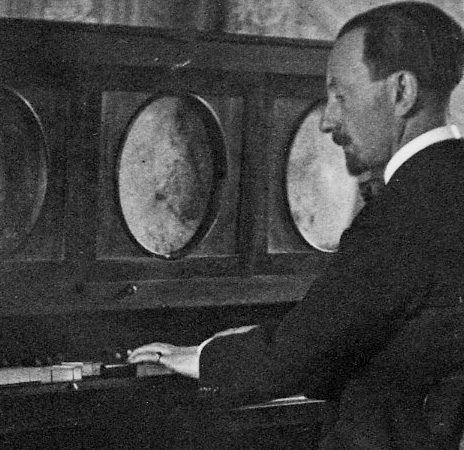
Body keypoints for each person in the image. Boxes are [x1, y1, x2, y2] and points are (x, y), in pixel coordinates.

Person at [128, 2, 464, 448]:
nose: (327, 120)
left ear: (402, 91)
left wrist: (203, 357)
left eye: (340, 96)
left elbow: (308, 352)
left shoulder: (406, 210)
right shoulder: (448, 183)